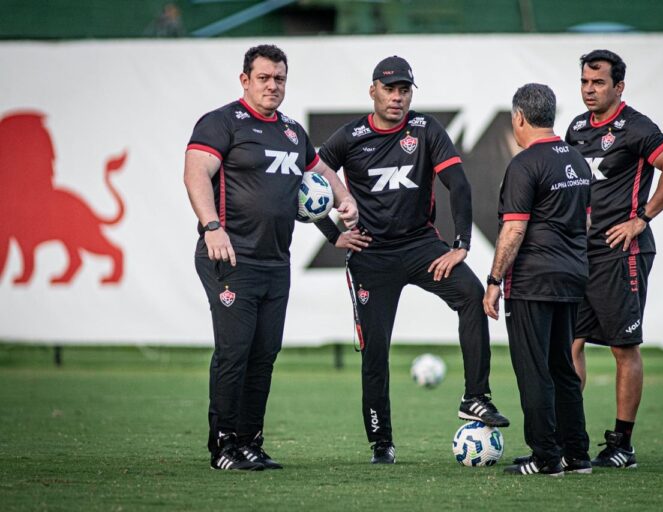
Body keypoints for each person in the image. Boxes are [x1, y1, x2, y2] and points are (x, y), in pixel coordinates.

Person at [314, 55, 509, 464]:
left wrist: (461, 245)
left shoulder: (425, 129)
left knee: (472, 296)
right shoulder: (349, 137)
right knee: (375, 352)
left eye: (404, 90)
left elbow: (459, 185)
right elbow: (307, 186)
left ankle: (475, 397)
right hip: (370, 254)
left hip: (421, 246)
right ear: (373, 91)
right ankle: (381, 442)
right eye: (390, 89)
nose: (397, 97)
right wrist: (334, 235)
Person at [184, 44, 358, 470]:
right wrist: (211, 226)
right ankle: (223, 445)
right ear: (245, 80)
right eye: (263, 78)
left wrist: (343, 206)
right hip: (230, 257)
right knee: (235, 351)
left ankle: (250, 442)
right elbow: (195, 173)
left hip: (275, 262)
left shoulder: (292, 132)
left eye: (279, 78)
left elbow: (319, 177)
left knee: (263, 355)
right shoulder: (222, 122)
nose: (272, 86)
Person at [565, 49, 663, 468]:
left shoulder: (637, 127)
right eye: (585, 82)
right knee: (570, 343)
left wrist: (641, 219)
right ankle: (568, 436)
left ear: (619, 86)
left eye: (598, 82)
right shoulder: (576, 128)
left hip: (623, 252)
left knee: (623, 347)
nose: (589, 90)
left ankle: (622, 444)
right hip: (581, 253)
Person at [483, 83, 592, 477]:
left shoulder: (524, 164)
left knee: (534, 371)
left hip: (533, 280)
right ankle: (576, 455)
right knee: (563, 367)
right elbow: (586, 223)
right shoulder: (577, 160)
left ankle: (545, 457)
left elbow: (513, 230)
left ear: (519, 117)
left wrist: (494, 280)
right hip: (572, 277)